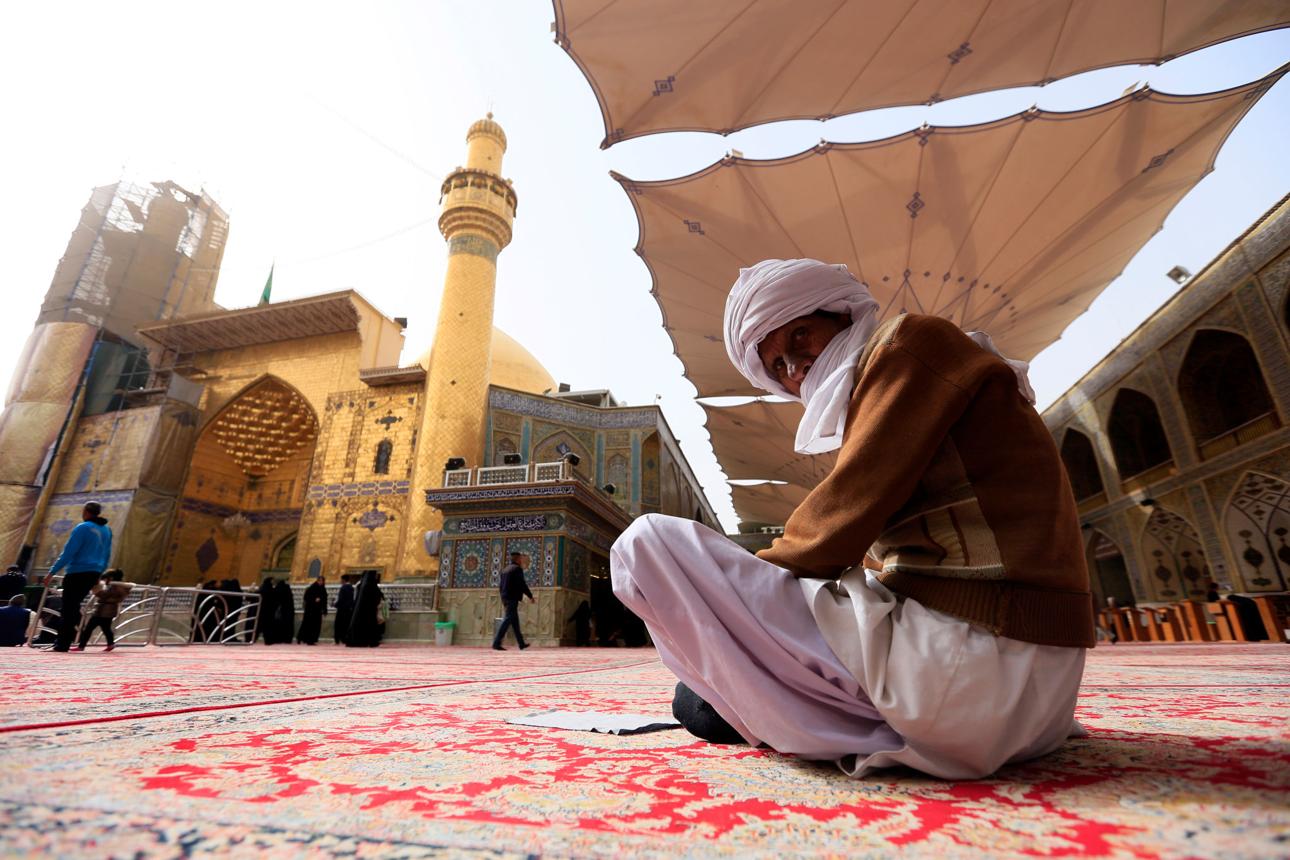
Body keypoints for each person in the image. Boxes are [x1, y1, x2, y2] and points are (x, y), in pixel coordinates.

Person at [611, 258, 1093, 780]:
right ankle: (804, 712)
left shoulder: (910, 346)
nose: (794, 367)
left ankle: (799, 714)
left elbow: (836, 525)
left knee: (646, 544)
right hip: (1031, 699)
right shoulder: (897, 374)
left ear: (842, 314)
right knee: (696, 703)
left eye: (801, 336)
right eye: (776, 365)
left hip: (977, 665)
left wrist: (738, 597)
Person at [44, 501, 113, 652]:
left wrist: (52, 572)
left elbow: (69, 552)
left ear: (86, 512)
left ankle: (62, 644)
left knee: (68, 608)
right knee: (74, 606)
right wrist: (100, 573)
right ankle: (68, 639)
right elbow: (107, 554)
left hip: (77, 572)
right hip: (94, 573)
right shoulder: (107, 530)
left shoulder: (83, 528)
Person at [76, 569, 132, 651]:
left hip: (103, 611)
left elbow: (104, 595)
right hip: (108, 610)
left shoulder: (115, 587)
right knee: (106, 629)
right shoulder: (120, 587)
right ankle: (110, 644)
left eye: (105, 578)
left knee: (89, 628)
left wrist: (95, 588)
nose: (104, 581)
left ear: (111, 578)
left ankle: (81, 646)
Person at [492, 552, 534, 651]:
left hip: (506, 597)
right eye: (520, 559)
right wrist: (530, 596)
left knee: (515, 622)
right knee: (507, 620)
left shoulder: (504, 570)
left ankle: (521, 643)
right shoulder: (517, 569)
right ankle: (496, 642)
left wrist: (503, 598)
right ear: (517, 559)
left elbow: (501, 586)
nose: (521, 561)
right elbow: (522, 584)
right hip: (512, 598)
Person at [346, 570, 384, 647]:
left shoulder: (362, 586)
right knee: (370, 625)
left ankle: (360, 640)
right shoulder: (371, 586)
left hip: (361, 611)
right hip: (370, 611)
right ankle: (370, 641)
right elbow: (376, 597)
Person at [297, 575, 328, 645]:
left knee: (316, 625)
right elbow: (306, 597)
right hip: (310, 610)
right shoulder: (312, 588)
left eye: (322, 581)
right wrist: (314, 599)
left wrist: (325, 610)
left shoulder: (323, 589)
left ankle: (312, 639)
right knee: (307, 624)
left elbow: (325, 599)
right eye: (319, 581)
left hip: (317, 611)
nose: (321, 582)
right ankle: (303, 639)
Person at [333, 574, 356, 645]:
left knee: (338, 624)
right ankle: (344, 639)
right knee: (346, 625)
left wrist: (335, 605)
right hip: (349, 609)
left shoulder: (343, 588)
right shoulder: (352, 588)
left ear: (343, 580)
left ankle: (337, 639)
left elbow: (341, 599)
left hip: (342, 609)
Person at [254, 577, 277, 643]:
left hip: (260, 611)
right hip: (268, 611)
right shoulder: (271, 590)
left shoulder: (262, 589)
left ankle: (253, 638)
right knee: (267, 627)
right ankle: (268, 640)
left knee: (258, 626)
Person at [273, 579, 296, 644]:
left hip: (281, 612)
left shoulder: (278, 590)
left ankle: (278, 638)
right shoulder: (288, 591)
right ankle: (287, 639)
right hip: (287, 612)